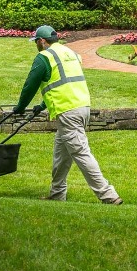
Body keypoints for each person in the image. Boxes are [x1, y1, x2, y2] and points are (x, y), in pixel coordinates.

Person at [13, 25, 122, 205]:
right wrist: (42, 105)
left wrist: (20, 107)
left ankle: (109, 196)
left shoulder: (44, 57)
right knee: (61, 154)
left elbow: (30, 85)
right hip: (81, 106)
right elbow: (64, 82)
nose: (36, 46)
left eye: (36, 42)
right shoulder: (69, 53)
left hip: (68, 112)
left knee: (81, 153)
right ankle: (57, 194)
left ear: (42, 41)